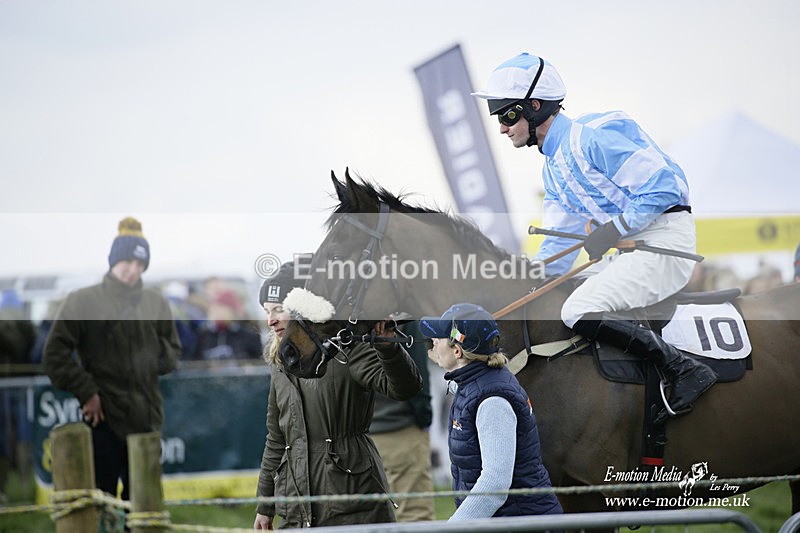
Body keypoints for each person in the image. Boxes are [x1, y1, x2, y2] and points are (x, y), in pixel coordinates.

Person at [472, 52, 716, 422]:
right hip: (632, 252)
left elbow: (668, 186)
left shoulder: (591, 137)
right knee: (557, 297)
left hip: (666, 242)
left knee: (577, 309)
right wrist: (524, 285)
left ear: (534, 106)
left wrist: (613, 229)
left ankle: (683, 368)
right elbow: (556, 247)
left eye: (506, 115)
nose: (503, 128)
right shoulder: (553, 171)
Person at [254, 261, 422, 530]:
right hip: (295, 509)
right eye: (266, 311)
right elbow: (276, 438)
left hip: (352, 503)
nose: (270, 320)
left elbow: (404, 389)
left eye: (278, 310)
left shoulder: (346, 347)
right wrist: (265, 505)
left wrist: (390, 350)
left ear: (302, 310)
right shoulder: (278, 361)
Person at [43, 217, 181, 500]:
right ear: (113, 261)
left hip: (146, 421)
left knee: (144, 511)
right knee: (100, 507)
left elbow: (173, 352)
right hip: (102, 420)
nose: (133, 270)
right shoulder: (83, 301)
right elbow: (54, 356)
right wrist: (87, 391)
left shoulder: (155, 302)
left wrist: (149, 357)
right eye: (127, 262)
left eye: (140, 264)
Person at [420, 303, 562, 520]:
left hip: (522, 524)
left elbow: (494, 485)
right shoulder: (476, 382)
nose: (432, 344)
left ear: (457, 351)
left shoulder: (492, 401)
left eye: (437, 340)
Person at [368, 320, 435, 522]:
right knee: (415, 515)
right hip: (402, 429)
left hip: (359, 436)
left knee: (368, 520)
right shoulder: (403, 315)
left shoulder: (340, 311)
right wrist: (423, 416)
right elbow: (418, 374)